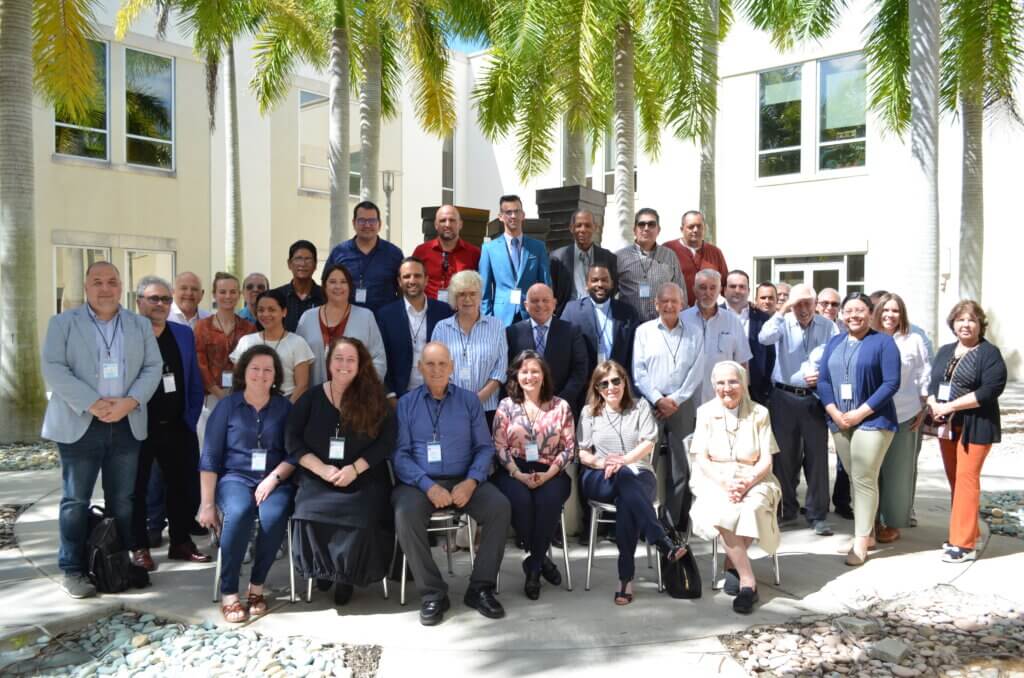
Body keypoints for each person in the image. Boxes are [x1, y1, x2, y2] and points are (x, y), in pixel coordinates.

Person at [41, 262, 162, 599]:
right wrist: (93, 402)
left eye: (112, 281)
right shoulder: (63, 323)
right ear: (86, 286)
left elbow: (153, 368)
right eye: (98, 282)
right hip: (79, 424)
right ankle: (73, 569)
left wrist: (131, 401)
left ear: (121, 286)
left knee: (122, 501)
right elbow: (53, 367)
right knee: (75, 501)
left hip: (126, 424)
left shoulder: (139, 325)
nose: (105, 288)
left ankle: (115, 563)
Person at [392, 342, 512, 626]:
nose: (436, 370)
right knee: (404, 513)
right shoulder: (407, 403)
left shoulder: (469, 401)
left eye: (442, 364)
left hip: (463, 479)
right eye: (429, 364)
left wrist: (471, 482)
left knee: (499, 507)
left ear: (452, 367)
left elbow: (484, 448)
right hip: (420, 483)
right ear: (420, 368)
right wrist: (427, 485)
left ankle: (480, 587)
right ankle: (433, 592)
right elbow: (400, 454)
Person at [287, 337, 396, 605]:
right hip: (317, 474)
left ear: (360, 365)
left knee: (362, 513)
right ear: (328, 363)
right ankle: (322, 568)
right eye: (339, 359)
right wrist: (321, 468)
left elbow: (386, 441)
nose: (344, 365)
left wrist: (355, 469)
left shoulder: (374, 399)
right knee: (307, 511)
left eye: (350, 360)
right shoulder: (311, 398)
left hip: (362, 476)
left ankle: (346, 576)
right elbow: (291, 440)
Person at [198, 346, 296, 622]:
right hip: (235, 478)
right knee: (239, 513)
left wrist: (274, 478)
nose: (261, 375)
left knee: (273, 515)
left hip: (275, 479)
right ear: (244, 372)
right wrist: (207, 504)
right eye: (255, 368)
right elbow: (210, 457)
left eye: (268, 370)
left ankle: (256, 586)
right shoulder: (228, 406)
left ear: (275, 376)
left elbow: (295, 453)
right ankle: (229, 591)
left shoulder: (284, 408)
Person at [578, 360, 687, 605]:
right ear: (596, 388)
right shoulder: (589, 412)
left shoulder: (640, 407)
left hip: (639, 472)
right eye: (603, 383)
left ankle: (625, 579)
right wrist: (604, 463)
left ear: (625, 381)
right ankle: (660, 540)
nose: (611, 387)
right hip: (600, 476)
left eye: (616, 380)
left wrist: (624, 461)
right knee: (625, 479)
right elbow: (582, 452)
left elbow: (649, 442)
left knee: (627, 493)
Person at [129, 276, 210, 572]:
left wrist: (190, 417)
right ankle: (139, 546)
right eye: (154, 299)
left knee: (182, 486)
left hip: (178, 424)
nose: (160, 304)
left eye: (165, 299)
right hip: (139, 426)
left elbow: (192, 378)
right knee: (137, 489)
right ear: (139, 302)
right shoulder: (128, 333)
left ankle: (180, 542)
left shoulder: (182, 334)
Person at [689, 361, 781, 614]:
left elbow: (766, 460)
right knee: (722, 512)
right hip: (714, 476)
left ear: (743, 382)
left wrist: (747, 481)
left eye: (733, 381)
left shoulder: (760, 412)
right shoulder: (705, 411)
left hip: (754, 475)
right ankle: (748, 581)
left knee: (752, 507)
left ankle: (732, 562)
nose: (726, 388)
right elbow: (701, 458)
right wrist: (725, 482)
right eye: (720, 382)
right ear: (713, 385)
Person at [818, 292, 900, 566]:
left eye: (860, 310)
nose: (854, 315)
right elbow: (824, 381)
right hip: (840, 420)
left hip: (873, 420)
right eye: (849, 310)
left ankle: (861, 542)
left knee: (864, 478)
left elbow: (890, 383)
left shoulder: (883, 342)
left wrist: (860, 413)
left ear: (870, 313)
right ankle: (869, 533)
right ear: (842, 315)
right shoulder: (835, 342)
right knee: (856, 478)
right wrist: (834, 412)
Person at [927, 300, 1006, 564]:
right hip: (948, 425)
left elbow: (989, 390)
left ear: (980, 325)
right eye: (960, 319)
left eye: (971, 320)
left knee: (966, 480)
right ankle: (969, 531)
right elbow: (933, 382)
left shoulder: (989, 353)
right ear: (953, 323)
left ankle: (963, 544)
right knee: (956, 482)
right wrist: (933, 404)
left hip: (977, 424)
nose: (965, 324)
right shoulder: (946, 350)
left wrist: (950, 405)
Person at [491, 351, 575, 600]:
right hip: (513, 470)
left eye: (535, 371)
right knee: (521, 501)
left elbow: (570, 447)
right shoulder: (506, 405)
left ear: (544, 375)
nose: (530, 376)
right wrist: (518, 474)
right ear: (517, 375)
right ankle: (542, 562)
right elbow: (498, 446)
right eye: (524, 371)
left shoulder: (561, 406)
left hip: (551, 470)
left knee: (548, 501)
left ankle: (534, 567)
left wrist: (549, 474)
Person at [758, 283, 838, 535]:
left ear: (816, 304)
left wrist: (823, 374)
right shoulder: (783, 322)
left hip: (814, 398)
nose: (803, 309)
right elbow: (764, 337)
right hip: (783, 397)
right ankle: (786, 510)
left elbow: (836, 357)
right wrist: (783, 310)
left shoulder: (828, 326)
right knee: (784, 458)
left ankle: (817, 514)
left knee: (817, 458)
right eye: (798, 304)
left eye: (807, 303)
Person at [632, 282, 704, 532]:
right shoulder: (644, 331)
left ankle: (674, 523)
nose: (670, 305)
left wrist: (676, 399)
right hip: (650, 405)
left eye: (674, 301)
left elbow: (697, 371)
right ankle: (645, 523)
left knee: (680, 467)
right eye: (665, 301)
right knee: (644, 465)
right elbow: (638, 371)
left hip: (681, 406)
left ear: (682, 304)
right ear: (656, 304)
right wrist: (657, 398)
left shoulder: (694, 332)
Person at [873, 293, 930, 544]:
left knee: (897, 473)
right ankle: (871, 522)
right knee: (872, 471)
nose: (890, 315)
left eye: (895, 311)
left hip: (905, 413)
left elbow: (923, 374)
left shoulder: (914, 339)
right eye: (885, 310)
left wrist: (923, 407)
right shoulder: (868, 338)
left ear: (902, 314)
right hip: (872, 414)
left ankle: (892, 521)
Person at [430, 270, 508, 429]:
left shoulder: (496, 326)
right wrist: (456, 399)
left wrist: (478, 398)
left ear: (480, 296)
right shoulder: (441, 327)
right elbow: (435, 367)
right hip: (450, 406)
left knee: (485, 453)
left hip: (487, 408)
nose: (467, 299)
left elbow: (501, 369)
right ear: (454, 298)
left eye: (473, 294)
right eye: (461, 294)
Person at [376, 257, 454, 402]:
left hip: (438, 394)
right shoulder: (386, 315)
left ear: (426, 280)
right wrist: (390, 395)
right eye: (406, 276)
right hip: (400, 397)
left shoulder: (444, 312)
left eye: (417, 276)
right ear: (399, 282)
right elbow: (382, 358)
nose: (412, 280)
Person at [295, 263, 386, 385]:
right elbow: (297, 358)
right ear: (324, 286)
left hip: (355, 397)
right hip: (316, 397)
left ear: (350, 286)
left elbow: (378, 359)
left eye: (343, 282)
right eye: (332, 282)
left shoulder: (366, 317)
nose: (338, 286)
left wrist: (363, 387)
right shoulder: (307, 318)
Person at [505, 284, 588, 414]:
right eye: (535, 301)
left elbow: (580, 370)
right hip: (523, 408)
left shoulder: (571, 331)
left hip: (562, 408)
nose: (540, 305)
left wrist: (560, 401)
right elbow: (509, 371)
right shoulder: (512, 332)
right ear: (526, 305)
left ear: (554, 303)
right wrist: (522, 400)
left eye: (545, 300)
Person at [194, 272, 256, 440]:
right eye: (222, 292)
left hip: (241, 396)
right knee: (209, 444)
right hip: (211, 397)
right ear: (214, 294)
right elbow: (200, 363)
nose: (228, 296)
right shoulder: (202, 327)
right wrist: (217, 392)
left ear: (239, 294)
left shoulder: (249, 328)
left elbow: (252, 363)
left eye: (232, 291)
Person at [560, 264, 641, 387]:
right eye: (594, 280)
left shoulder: (628, 312)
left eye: (604, 280)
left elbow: (634, 354)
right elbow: (564, 353)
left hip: (618, 386)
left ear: (612, 283)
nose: (600, 284)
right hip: (584, 387)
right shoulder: (571, 311)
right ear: (587, 285)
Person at [681, 269, 752, 406]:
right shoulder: (682, 320)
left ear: (720, 290)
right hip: (687, 401)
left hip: (722, 399)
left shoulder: (732, 321)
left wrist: (742, 396)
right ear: (694, 289)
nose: (708, 292)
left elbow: (742, 363)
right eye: (702, 287)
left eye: (713, 287)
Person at [479, 194, 552, 326]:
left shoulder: (537, 247)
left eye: (517, 211)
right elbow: (484, 291)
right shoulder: (489, 249)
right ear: (501, 217)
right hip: (501, 316)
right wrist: (487, 320)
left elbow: (546, 284)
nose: (513, 216)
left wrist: (546, 314)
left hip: (531, 314)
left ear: (523, 215)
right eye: (508, 212)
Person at [230, 289, 314, 402]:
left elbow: (302, 385)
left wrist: (287, 410)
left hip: (286, 403)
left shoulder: (298, 343)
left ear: (284, 312)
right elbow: (239, 380)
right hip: (251, 406)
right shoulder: (246, 342)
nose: (265, 314)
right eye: (261, 310)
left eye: (271, 310)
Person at [327, 201, 404, 312]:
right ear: (354, 223)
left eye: (372, 221)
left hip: (383, 322)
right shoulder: (339, 252)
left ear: (379, 224)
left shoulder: (394, 254)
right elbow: (327, 286)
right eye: (362, 220)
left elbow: (402, 289)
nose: (367, 225)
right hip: (347, 320)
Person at [615, 208, 685, 322]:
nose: (646, 228)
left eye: (651, 224)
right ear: (634, 230)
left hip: (662, 325)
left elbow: (681, 293)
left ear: (658, 230)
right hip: (629, 326)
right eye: (641, 224)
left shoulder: (670, 256)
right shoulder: (620, 257)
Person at [549, 210, 617, 316]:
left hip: (600, 314)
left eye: (587, 225)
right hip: (567, 315)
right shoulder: (557, 258)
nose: (583, 230)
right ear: (571, 228)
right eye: (578, 225)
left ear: (595, 227)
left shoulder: (608, 257)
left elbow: (613, 287)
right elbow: (552, 289)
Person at [723, 271, 776, 406]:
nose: (737, 290)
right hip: (722, 389)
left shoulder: (763, 318)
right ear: (724, 290)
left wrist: (765, 386)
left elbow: (771, 355)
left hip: (755, 391)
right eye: (733, 286)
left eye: (742, 287)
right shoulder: (714, 315)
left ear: (748, 290)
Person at [412, 205, 481, 303]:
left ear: (460, 224)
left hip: (461, 313)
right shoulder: (421, 251)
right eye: (443, 220)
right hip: (429, 312)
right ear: (436, 225)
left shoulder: (474, 253)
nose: (447, 224)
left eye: (452, 220)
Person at [664, 210, 729, 308]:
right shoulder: (668, 250)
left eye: (699, 226)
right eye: (691, 227)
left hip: (707, 313)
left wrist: (744, 304)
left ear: (704, 228)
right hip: (676, 312)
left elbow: (726, 286)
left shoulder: (715, 252)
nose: (695, 230)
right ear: (682, 229)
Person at [272, 240, 325, 333]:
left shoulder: (325, 296)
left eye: (308, 259)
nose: (303, 264)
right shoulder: (277, 296)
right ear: (289, 264)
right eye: (298, 259)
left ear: (315, 264)